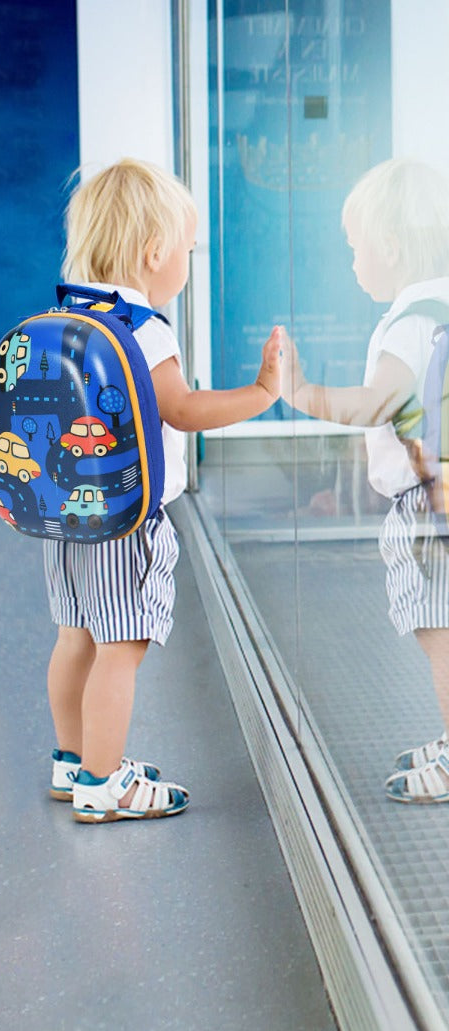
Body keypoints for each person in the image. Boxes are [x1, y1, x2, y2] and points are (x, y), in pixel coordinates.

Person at [45, 158, 284, 823]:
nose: (188, 262)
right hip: (125, 520)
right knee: (121, 649)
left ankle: (74, 761)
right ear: (155, 253)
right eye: (187, 250)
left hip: (66, 517)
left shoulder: (69, 311)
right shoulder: (143, 329)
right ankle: (104, 783)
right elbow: (182, 409)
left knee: (77, 637)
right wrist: (262, 393)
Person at [283, 157, 449, 805]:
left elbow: (376, 404)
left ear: (389, 247)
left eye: (355, 249)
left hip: (428, 515)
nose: (352, 264)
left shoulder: (409, 324)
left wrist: (300, 392)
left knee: (440, 635)